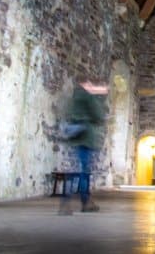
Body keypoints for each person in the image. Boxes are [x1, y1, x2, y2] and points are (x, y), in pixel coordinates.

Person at [59, 79, 108, 215]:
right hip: (86, 137)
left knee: (74, 170)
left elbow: (67, 113)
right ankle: (84, 202)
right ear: (87, 84)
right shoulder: (88, 97)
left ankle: (68, 201)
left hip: (75, 136)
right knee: (84, 172)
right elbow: (98, 116)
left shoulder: (74, 97)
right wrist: (98, 99)